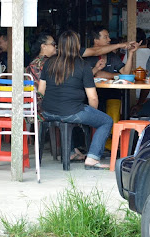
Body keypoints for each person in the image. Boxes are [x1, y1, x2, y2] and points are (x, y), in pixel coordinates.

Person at [38, 30, 113, 170]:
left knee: (66, 118)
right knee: (106, 121)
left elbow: (41, 90)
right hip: (72, 111)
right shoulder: (82, 65)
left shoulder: (49, 63)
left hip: (47, 111)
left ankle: (72, 152)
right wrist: (92, 113)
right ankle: (92, 159)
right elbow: (93, 97)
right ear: (77, 46)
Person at [25, 32, 57, 108]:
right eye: (53, 44)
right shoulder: (47, 64)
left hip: (30, 108)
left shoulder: (34, 63)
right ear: (43, 46)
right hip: (44, 109)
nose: (56, 46)